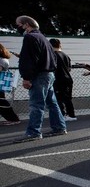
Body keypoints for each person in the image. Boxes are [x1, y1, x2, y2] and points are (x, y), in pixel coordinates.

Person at [13, 15, 66, 143]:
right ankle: (59, 127)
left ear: (26, 25)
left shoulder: (29, 37)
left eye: (19, 25)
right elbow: (52, 57)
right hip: (49, 74)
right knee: (52, 103)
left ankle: (33, 132)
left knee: (36, 104)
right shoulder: (43, 38)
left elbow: (29, 60)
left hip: (39, 76)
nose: (18, 27)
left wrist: (26, 77)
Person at [49, 39, 76, 121]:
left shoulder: (53, 55)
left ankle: (65, 115)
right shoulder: (65, 55)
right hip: (67, 78)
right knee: (67, 98)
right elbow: (69, 68)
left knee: (59, 98)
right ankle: (70, 114)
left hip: (59, 79)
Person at [0, 44, 20, 125]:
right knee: (2, 101)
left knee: (2, 102)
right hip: (1, 83)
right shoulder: (3, 59)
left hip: (0, 82)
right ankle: (13, 118)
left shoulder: (1, 60)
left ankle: (13, 119)